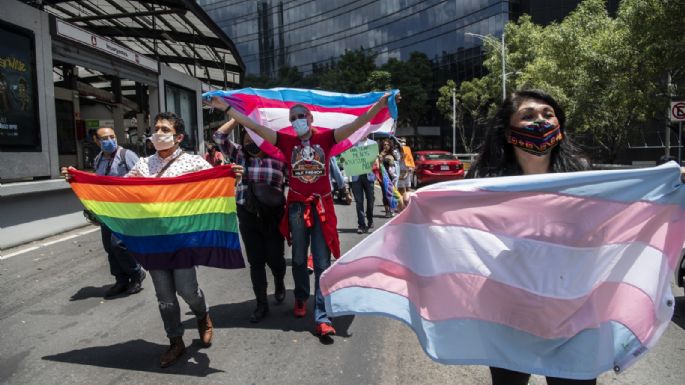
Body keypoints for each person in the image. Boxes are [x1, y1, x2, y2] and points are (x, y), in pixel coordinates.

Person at [206, 93, 391, 338]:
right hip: (296, 208)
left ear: (311, 118)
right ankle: (301, 297)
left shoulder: (327, 139)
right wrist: (227, 108)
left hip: (322, 207)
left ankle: (322, 316)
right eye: (293, 118)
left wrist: (378, 106)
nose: (297, 121)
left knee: (323, 263)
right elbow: (253, 126)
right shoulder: (284, 142)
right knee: (300, 260)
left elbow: (356, 124)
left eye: (301, 117)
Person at [467, 89, 594, 385]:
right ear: (509, 133)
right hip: (509, 308)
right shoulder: (487, 182)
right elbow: (450, 220)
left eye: (548, 115)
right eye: (528, 116)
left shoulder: (585, 176)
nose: (541, 121)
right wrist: (418, 203)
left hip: (571, 309)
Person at [126, 112, 242, 368]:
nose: (158, 133)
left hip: (182, 241)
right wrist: (81, 179)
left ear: (178, 137)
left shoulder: (193, 162)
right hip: (154, 241)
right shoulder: (143, 165)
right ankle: (175, 341)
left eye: (164, 129)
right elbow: (119, 190)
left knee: (187, 290)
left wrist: (231, 175)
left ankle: (202, 314)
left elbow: (216, 182)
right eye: (155, 128)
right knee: (164, 297)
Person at [213, 118, 287, 323]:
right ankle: (261, 304)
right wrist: (238, 117)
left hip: (273, 215)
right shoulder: (239, 155)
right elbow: (218, 136)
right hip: (247, 214)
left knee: (276, 259)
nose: (251, 144)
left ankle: (279, 282)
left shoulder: (280, 158)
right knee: (256, 262)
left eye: (256, 139)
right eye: (247, 140)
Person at [61, 127, 146, 298]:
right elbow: (97, 182)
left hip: (126, 211)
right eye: (104, 138)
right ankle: (121, 280)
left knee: (118, 244)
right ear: (96, 141)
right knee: (109, 247)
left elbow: (142, 178)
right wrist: (75, 175)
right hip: (107, 211)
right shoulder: (99, 159)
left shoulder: (126, 156)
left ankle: (136, 273)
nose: (109, 140)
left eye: (112, 136)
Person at [349, 136, 377, 234]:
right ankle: (361, 224)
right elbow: (347, 159)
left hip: (369, 176)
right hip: (356, 176)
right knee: (359, 201)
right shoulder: (352, 144)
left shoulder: (373, 144)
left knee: (370, 199)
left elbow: (375, 160)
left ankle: (370, 218)